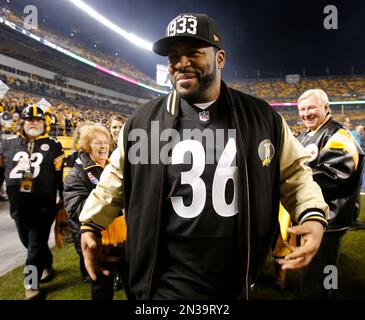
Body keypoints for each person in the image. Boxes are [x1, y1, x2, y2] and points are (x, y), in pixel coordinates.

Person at [79, 13, 329, 300]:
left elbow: (294, 174)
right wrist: (91, 224)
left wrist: (312, 215)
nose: (181, 63)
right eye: (173, 56)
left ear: (220, 59)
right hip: (162, 279)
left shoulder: (261, 117)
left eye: (193, 53)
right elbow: (115, 180)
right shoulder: (143, 121)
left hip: (235, 275)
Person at [297, 89, 364, 299]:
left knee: (322, 271)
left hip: (330, 219)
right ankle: (327, 292)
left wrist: (292, 181)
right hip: (314, 215)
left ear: (326, 108)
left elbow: (334, 174)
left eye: (311, 108)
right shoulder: (309, 134)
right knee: (318, 269)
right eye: (302, 109)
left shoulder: (339, 135)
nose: (306, 113)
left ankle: (327, 295)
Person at [0, 104, 65, 300]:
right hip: (18, 205)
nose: (34, 123)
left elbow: (59, 175)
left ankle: (31, 284)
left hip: (43, 205)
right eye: (30, 119)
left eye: (38, 120)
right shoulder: (7, 144)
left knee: (35, 245)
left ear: (44, 123)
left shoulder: (54, 145)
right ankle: (47, 264)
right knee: (29, 243)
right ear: (23, 122)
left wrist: (63, 198)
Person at [63, 123, 126, 300]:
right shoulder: (76, 174)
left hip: (124, 238)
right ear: (85, 146)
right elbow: (75, 209)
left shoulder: (115, 168)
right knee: (102, 288)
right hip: (97, 241)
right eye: (97, 142)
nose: (104, 146)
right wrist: (111, 206)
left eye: (105, 142)